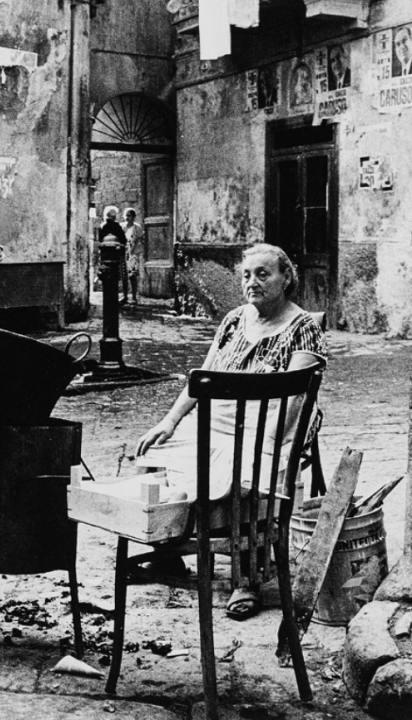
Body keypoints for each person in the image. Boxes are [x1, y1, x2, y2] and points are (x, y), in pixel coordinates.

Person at [134, 243, 326, 619]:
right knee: (159, 460)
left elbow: (297, 396)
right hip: (220, 417)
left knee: (247, 475)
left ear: (286, 278)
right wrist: (170, 421)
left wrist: (264, 445)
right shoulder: (235, 320)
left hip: (271, 422)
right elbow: (202, 379)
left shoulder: (303, 326)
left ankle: (247, 578)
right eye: (246, 275)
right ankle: (170, 554)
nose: (252, 282)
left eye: (263, 274)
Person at [122, 207, 145, 306]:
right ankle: (125, 296)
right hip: (124, 253)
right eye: (126, 215)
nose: (127, 218)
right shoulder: (122, 227)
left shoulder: (138, 228)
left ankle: (134, 297)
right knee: (124, 276)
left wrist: (135, 247)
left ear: (134, 217)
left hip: (133, 254)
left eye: (129, 216)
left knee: (132, 275)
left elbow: (141, 240)